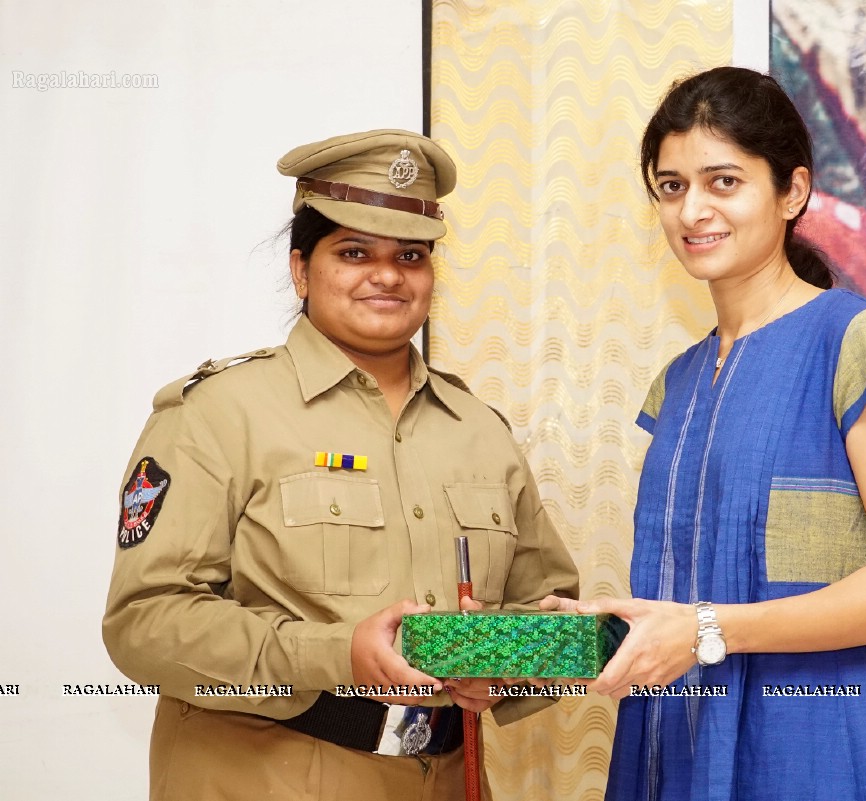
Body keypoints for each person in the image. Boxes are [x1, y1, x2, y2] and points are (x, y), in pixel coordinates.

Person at [103, 129, 579, 801]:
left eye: (410, 256)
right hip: (261, 776)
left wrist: (504, 665)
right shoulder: (216, 412)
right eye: (354, 251)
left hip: (443, 778)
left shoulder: (480, 430)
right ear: (301, 269)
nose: (387, 274)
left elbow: (554, 615)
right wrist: (336, 653)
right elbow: (142, 623)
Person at [544, 67, 866, 801]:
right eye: (671, 186)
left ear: (792, 192)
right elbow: (693, 593)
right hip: (679, 744)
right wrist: (603, 632)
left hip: (821, 747)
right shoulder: (678, 381)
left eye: (723, 181)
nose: (693, 210)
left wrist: (706, 629)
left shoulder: (854, 340)